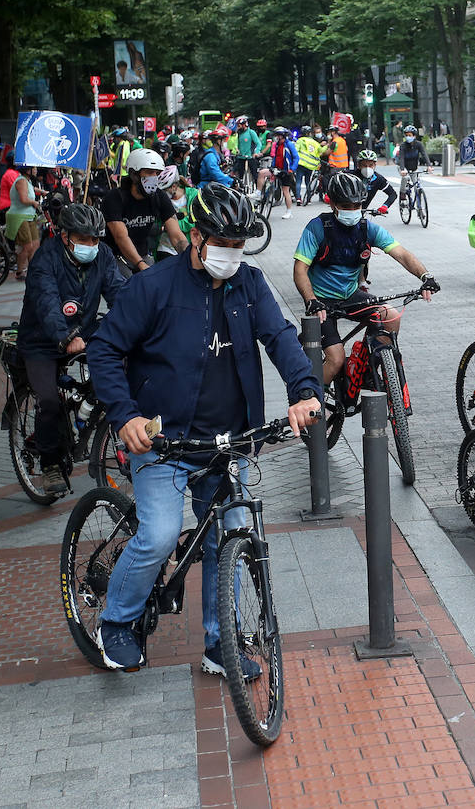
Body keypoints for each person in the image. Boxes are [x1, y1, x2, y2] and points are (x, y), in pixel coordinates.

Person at [88, 184, 322, 674]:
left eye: (239, 245)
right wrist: (125, 415)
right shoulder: (153, 287)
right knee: (159, 534)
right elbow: (104, 351)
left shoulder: (250, 284)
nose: (231, 255)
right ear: (196, 237)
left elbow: (280, 338)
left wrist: (304, 391)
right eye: (222, 243)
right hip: (163, 441)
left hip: (224, 443)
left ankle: (222, 644)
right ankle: (116, 622)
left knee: (231, 533)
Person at [15, 203, 125, 495]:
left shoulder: (102, 256)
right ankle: (50, 463)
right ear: (65, 236)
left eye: (95, 239)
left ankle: (83, 417)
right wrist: (63, 337)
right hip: (42, 340)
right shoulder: (45, 259)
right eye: (84, 239)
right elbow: (47, 302)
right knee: (49, 401)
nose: (91, 245)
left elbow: (119, 292)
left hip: (85, 335)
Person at [292, 172, 439, 387]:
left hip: (350, 296)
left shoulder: (367, 228)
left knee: (391, 316)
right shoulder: (317, 228)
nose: (352, 211)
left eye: (356, 205)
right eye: (345, 205)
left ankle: (370, 365)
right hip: (321, 302)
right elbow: (299, 270)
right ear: (332, 203)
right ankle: (312, 405)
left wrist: (426, 276)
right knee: (336, 359)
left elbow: (401, 254)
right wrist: (311, 300)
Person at [102, 147, 186, 276]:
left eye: (157, 173)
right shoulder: (115, 198)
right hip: (117, 256)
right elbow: (121, 236)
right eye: (149, 172)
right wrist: (141, 265)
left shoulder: (159, 196)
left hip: (143, 254)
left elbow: (176, 234)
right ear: (134, 175)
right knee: (127, 288)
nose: (154, 177)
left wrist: (189, 256)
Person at [1, 152, 42, 280]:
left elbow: (32, 189)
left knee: (35, 243)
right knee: (27, 245)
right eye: (33, 168)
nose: (36, 170)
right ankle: (20, 271)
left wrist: (44, 192)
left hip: (29, 216)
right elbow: (24, 199)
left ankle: (33, 270)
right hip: (19, 217)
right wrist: (34, 203)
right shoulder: (21, 181)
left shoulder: (27, 181)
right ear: (27, 170)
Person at [256, 126, 297, 219]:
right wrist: (272, 166)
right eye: (276, 136)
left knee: (285, 191)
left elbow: (296, 157)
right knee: (262, 173)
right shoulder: (277, 144)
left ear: (283, 136)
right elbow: (275, 157)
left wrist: (292, 169)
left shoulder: (289, 144)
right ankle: (258, 193)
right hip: (276, 169)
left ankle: (289, 211)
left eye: (279, 135)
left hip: (286, 171)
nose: (277, 137)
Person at [356, 150, 401, 215]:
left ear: (374, 165)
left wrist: (385, 206)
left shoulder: (378, 179)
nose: (367, 168)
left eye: (370, 165)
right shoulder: (350, 176)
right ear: (359, 165)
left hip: (362, 213)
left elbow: (392, 194)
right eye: (364, 165)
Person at [394, 125, 431, 198]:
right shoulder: (403, 146)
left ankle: (419, 205)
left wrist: (429, 166)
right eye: (406, 135)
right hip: (403, 167)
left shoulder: (419, 144)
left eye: (410, 135)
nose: (408, 137)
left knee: (416, 184)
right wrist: (402, 169)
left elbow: (424, 154)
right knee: (405, 178)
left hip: (414, 168)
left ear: (414, 136)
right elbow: (401, 158)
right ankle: (403, 194)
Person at [295, 126, 325, 205]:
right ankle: (308, 198)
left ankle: (298, 198)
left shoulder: (300, 141)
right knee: (308, 181)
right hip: (310, 165)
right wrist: (327, 145)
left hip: (301, 163)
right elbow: (321, 151)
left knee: (298, 181)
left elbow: (295, 150)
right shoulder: (314, 142)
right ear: (309, 133)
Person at [233, 116, 259, 185]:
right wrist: (236, 150)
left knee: (255, 174)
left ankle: (258, 190)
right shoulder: (238, 134)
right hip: (241, 157)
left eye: (239, 125)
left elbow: (258, 143)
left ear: (244, 125)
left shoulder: (251, 132)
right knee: (239, 175)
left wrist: (256, 152)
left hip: (250, 156)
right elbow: (236, 144)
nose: (238, 127)